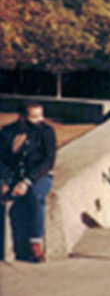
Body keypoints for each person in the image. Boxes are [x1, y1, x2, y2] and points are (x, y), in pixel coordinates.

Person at [1, 102, 58, 263]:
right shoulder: (7, 132)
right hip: (12, 175)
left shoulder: (46, 132)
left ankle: (35, 243)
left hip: (38, 176)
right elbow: (2, 159)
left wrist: (26, 182)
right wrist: (4, 181)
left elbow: (48, 161)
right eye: (34, 116)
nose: (40, 119)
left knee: (35, 196)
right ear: (22, 117)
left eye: (41, 115)